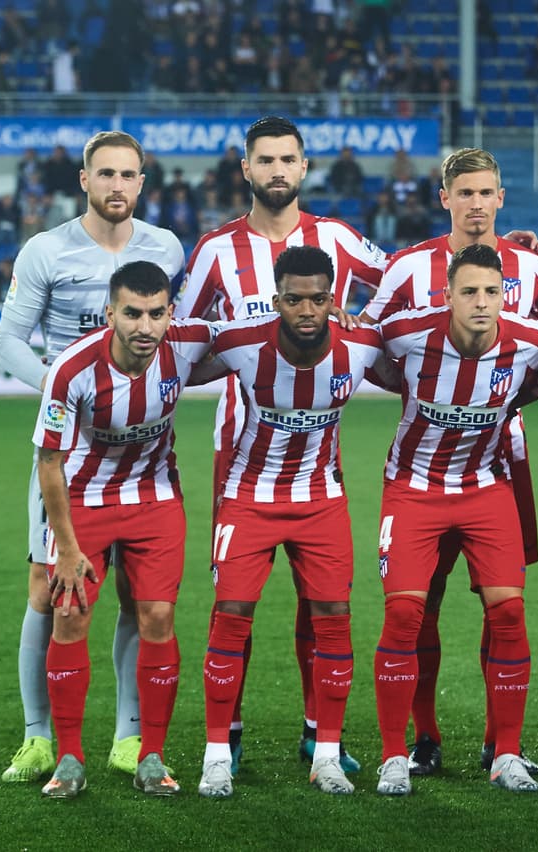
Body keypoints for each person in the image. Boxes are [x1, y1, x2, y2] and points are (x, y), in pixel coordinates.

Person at [361, 147, 538, 777]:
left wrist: (507, 396)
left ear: (501, 198)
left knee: (503, 602)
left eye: (487, 193)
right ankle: (421, 739)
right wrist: (414, 386)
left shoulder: (532, 267)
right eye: (466, 193)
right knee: (418, 604)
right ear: (446, 198)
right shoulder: (409, 268)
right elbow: (367, 339)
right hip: (420, 466)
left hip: (499, 460)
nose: (477, 204)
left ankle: (498, 743)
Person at [176, 115, 388, 776]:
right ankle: (229, 733)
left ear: (303, 167)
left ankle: (318, 733)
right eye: (263, 160)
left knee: (319, 598)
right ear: (246, 168)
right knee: (233, 599)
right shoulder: (215, 251)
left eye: (286, 159)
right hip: (240, 449)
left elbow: (404, 289)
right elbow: (183, 334)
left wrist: (363, 316)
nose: (276, 170)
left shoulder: (339, 240)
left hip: (319, 449)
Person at [0, 130, 184, 785]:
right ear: (84, 180)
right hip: (69, 454)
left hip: (141, 460)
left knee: (140, 598)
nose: (117, 185)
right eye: (105, 174)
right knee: (48, 590)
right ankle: (37, 737)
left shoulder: (166, 248)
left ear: (142, 182)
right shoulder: (46, 251)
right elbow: (9, 342)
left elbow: (180, 333)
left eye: (128, 175)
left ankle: (129, 738)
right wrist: (67, 387)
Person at [195, 246, 391, 799]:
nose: (307, 311)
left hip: (320, 500)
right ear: (276, 299)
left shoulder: (361, 345)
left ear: (334, 299)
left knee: (334, 619)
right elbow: (179, 359)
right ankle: (217, 756)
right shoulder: (241, 343)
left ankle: (325, 755)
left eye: (319, 299)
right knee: (230, 616)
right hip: (247, 498)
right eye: (295, 299)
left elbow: (420, 366)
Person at [372, 244, 538, 796]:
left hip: (485, 488)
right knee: (405, 613)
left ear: (505, 296)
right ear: (447, 295)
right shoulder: (405, 334)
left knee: (510, 612)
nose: (481, 302)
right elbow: (364, 354)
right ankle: (395, 755)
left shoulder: (530, 343)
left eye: (491, 292)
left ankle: (506, 754)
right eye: (469, 291)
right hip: (413, 488)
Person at [34, 260, 215, 798]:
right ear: (110, 313)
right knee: (70, 615)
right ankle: (68, 758)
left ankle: (151, 755)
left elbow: (260, 333)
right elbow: (49, 462)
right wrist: (67, 549)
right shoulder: (72, 370)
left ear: (170, 313)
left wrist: (338, 317)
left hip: (154, 499)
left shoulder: (186, 344)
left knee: (157, 616)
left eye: (156, 314)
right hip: (84, 503)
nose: (145, 326)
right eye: (132, 313)